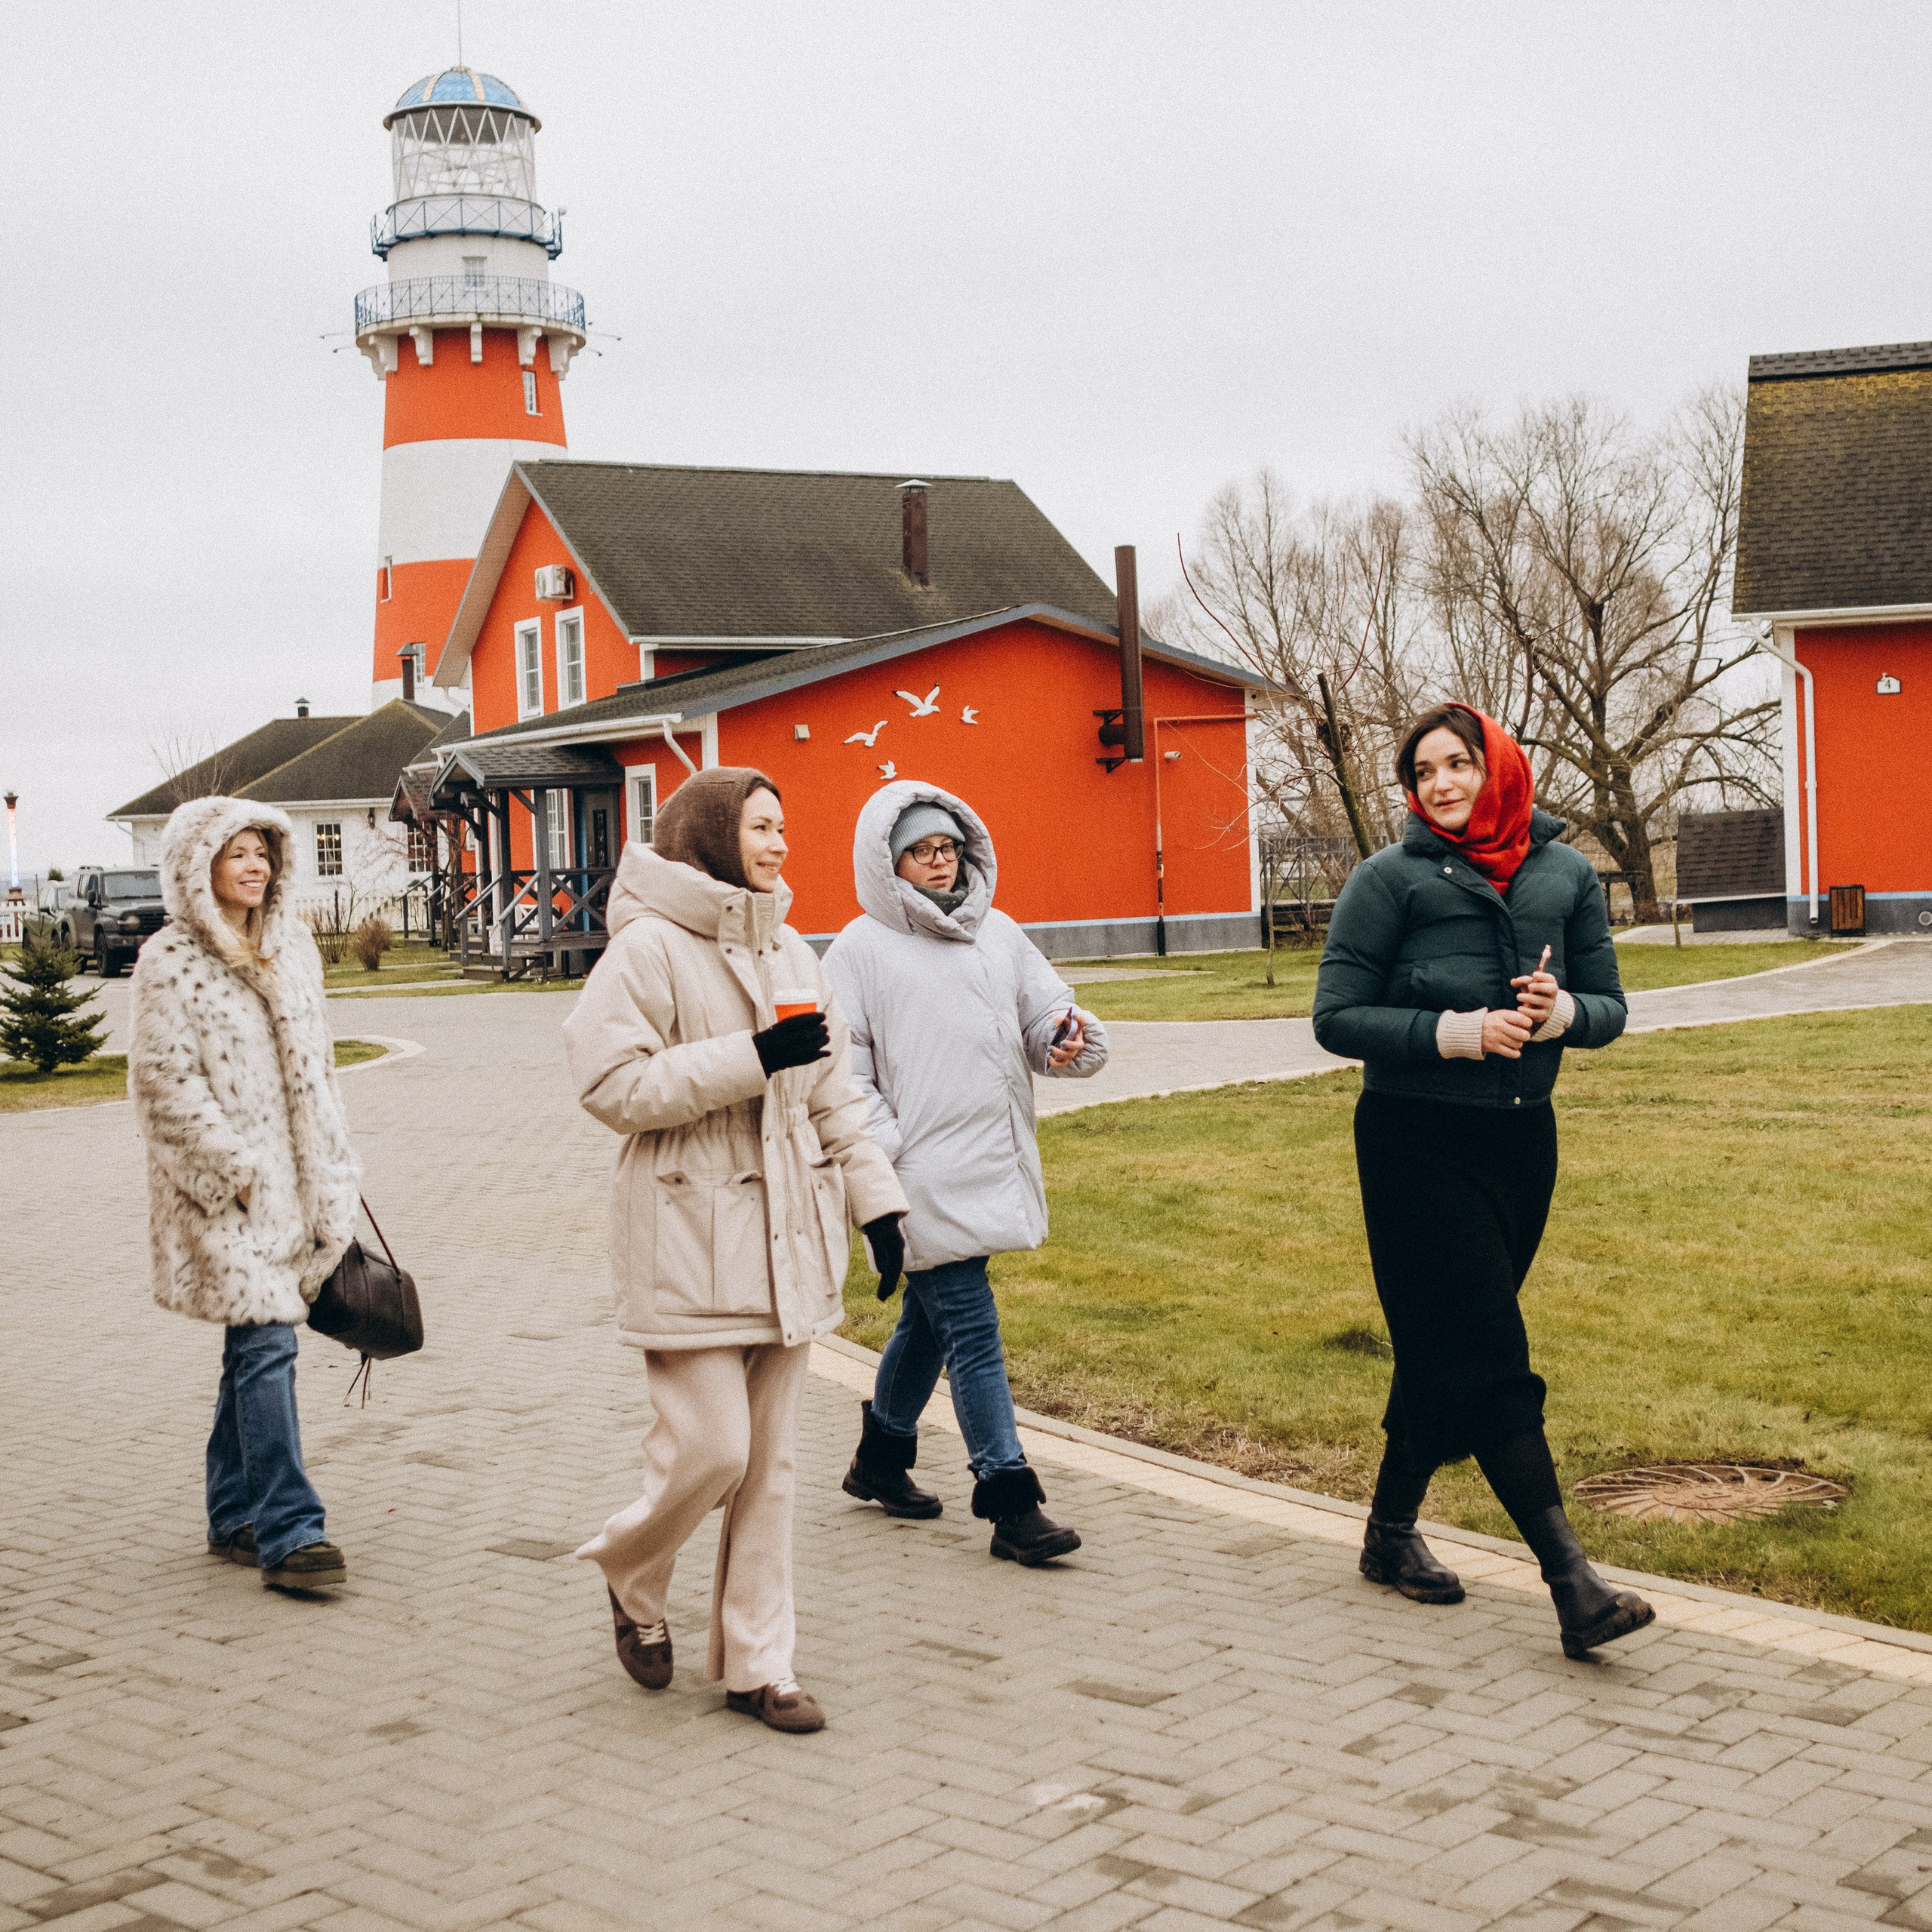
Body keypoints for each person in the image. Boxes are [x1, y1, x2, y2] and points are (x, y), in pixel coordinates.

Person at [565, 768, 908, 1734]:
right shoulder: (646, 950)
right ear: (711, 835)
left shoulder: (796, 950)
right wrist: (751, 1060)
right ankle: (633, 1573)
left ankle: (762, 1664)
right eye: (760, 825)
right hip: (686, 1234)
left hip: (789, 1235)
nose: (778, 843)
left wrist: (878, 1206)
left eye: (784, 824)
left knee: (772, 1469)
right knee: (713, 1450)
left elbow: (835, 1095)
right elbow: (608, 1085)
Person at [1312, 704, 1654, 1660]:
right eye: (1423, 773)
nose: (1443, 784)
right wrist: (1451, 1034)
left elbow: (1611, 1006)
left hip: (1519, 1142)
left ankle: (1387, 1533)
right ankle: (1572, 1582)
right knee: (1488, 1346)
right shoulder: (1387, 880)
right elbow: (1335, 1015)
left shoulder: (1566, 872)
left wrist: (1557, 1016)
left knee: (1443, 1341)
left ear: (1496, 764)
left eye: (1458, 763)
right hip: (1413, 1140)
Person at [823, 781, 1109, 1564]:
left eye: (948, 846)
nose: (939, 860)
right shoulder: (858, 950)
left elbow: (1049, 1014)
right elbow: (845, 1074)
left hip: (991, 1162)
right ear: (890, 864)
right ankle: (1010, 1497)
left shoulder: (1000, 936)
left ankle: (881, 1455)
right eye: (921, 849)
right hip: (916, 1177)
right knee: (972, 1329)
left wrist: (1062, 1036)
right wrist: (890, 1156)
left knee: (929, 1321)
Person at [128, 798, 361, 1594]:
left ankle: (233, 1511)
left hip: (298, 1185)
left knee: (251, 1347)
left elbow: (319, 1071)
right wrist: (232, 1168)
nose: (255, 865)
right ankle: (292, 1529)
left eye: (264, 850)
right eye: (238, 853)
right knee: (270, 1339)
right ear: (201, 867)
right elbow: (163, 1082)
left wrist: (333, 1164)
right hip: (224, 1191)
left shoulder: (295, 950)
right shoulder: (169, 960)